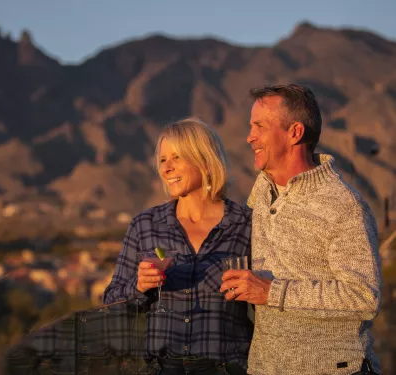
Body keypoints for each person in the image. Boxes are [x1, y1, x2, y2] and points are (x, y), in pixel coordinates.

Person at [220, 84, 382, 375]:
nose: (249, 137)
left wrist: (272, 292)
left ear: (294, 132)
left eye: (259, 126)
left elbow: (363, 298)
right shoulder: (262, 191)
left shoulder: (344, 205)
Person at [104, 117, 253, 375]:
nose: (167, 168)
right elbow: (111, 306)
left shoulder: (246, 224)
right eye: (163, 160)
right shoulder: (145, 225)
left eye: (177, 158)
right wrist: (139, 287)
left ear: (205, 161)